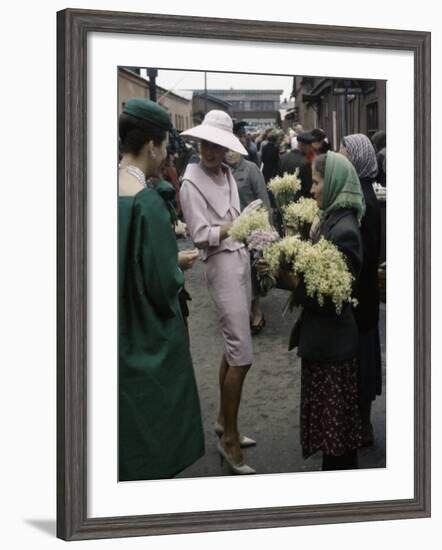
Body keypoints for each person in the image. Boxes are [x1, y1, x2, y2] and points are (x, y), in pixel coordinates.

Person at [259, 151, 365, 470]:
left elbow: (331, 295)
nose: (311, 190)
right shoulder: (331, 217)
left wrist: (284, 278)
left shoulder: (344, 230)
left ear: (332, 183)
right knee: (333, 437)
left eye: (317, 182)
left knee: (338, 442)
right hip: (326, 344)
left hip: (333, 346)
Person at [118, 98, 204, 481]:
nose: (167, 152)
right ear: (152, 146)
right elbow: (161, 282)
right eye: (166, 144)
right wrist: (177, 265)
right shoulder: (147, 204)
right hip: (143, 329)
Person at [180, 110, 257, 475]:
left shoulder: (227, 174)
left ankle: (224, 423)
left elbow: (237, 221)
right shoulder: (189, 182)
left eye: (218, 144)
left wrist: (250, 232)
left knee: (233, 345)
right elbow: (199, 235)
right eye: (205, 143)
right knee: (242, 354)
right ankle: (229, 437)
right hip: (220, 264)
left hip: (240, 259)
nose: (210, 150)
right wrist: (231, 228)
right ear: (198, 142)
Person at [340, 133, 382, 445]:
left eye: (344, 152)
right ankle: (359, 421)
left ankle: (363, 425)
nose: (339, 157)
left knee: (363, 359)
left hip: (362, 296)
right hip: (362, 295)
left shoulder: (364, 200)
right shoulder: (360, 193)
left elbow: (363, 257)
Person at [225, 148, 272, 334]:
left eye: (232, 151)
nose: (228, 154)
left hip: (252, 230)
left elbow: (263, 199)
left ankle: (257, 312)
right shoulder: (224, 171)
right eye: (226, 151)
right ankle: (244, 313)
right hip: (231, 230)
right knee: (237, 273)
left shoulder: (251, 169)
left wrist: (267, 229)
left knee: (251, 271)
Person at [277, 131, 315, 198]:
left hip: (283, 199)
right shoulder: (305, 163)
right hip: (299, 202)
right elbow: (308, 188)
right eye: (310, 145)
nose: (311, 148)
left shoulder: (282, 158)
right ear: (302, 145)